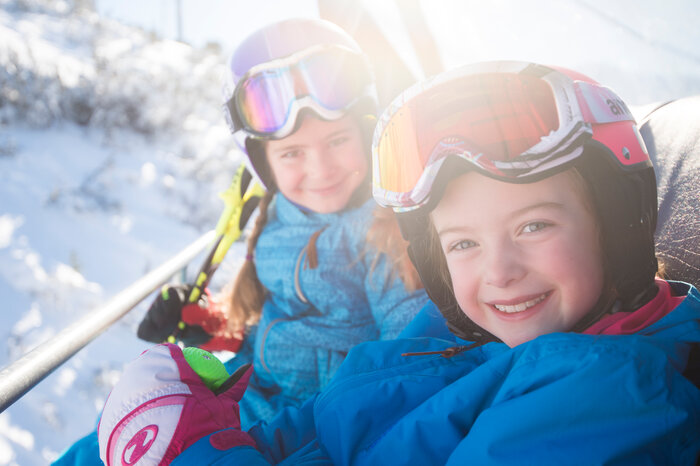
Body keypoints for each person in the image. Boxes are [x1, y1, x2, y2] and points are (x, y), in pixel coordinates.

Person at [97, 61, 700, 465]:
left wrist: (194, 452)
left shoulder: (606, 394)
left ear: (619, 221)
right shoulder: (457, 329)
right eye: (462, 243)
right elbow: (328, 415)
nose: (499, 271)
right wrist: (217, 428)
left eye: (533, 225)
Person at [52, 18, 428, 466]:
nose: (321, 168)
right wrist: (207, 325)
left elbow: (410, 354)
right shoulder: (276, 215)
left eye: (338, 140)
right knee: (102, 444)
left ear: (367, 135)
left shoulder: (384, 231)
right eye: (292, 153)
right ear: (263, 163)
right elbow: (266, 318)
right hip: (246, 393)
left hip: (310, 422)